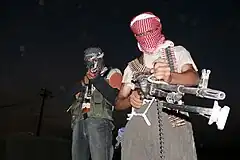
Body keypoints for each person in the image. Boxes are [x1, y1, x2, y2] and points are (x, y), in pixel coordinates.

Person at [115, 12, 200, 160]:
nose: (146, 36)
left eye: (150, 31)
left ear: (159, 27)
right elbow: (118, 103)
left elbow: (194, 78)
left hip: (173, 121)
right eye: (141, 34)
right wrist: (131, 99)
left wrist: (171, 77)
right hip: (138, 127)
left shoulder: (177, 52)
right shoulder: (132, 67)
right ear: (136, 36)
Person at [68, 47, 122, 160]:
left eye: (93, 60)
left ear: (100, 59)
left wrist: (97, 80)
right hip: (80, 122)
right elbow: (67, 96)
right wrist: (83, 83)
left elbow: (117, 99)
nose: (91, 64)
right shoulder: (86, 78)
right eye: (87, 61)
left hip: (100, 121)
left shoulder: (113, 73)